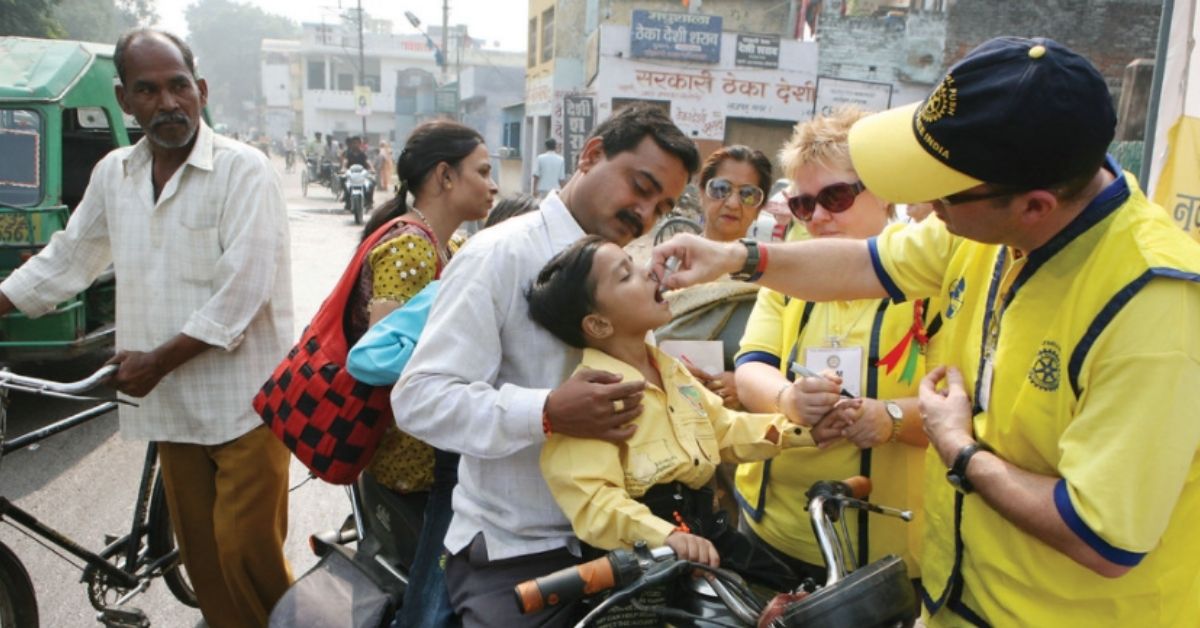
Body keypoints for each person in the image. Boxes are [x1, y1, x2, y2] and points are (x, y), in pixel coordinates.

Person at [651, 37, 1200, 626]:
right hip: (955, 599)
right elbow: (867, 262)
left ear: (1034, 206)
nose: (925, 206)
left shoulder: (1152, 307)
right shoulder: (990, 223)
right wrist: (734, 258)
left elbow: (1101, 535)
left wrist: (958, 446)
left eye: (941, 191)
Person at [0, 29, 294, 627]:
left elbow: (241, 294)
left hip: (248, 407)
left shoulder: (245, 171)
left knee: (249, 557)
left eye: (178, 86)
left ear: (201, 90)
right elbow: (68, 259)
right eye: (148, 90)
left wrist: (156, 360)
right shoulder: (116, 174)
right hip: (173, 413)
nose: (167, 103)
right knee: (205, 564)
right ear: (124, 100)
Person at [392, 104, 698, 627]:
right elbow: (419, 399)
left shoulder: (627, 269)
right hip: (522, 553)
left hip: (624, 549)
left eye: (662, 205)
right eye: (640, 186)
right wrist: (548, 412)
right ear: (591, 154)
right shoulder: (500, 255)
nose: (645, 214)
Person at [527, 235, 812, 592]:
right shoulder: (593, 398)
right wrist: (667, 536)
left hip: (708, 537)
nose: (648, 274)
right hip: (647, 566)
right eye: (625, 275)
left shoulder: (671, 370)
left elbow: (724, 429)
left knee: (793, 595)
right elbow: (594, 501)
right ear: (598, 325)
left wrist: (803, 430)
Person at [732, 108, 933, 585]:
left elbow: (972, 405)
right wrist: (788, 399)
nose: (818, 216)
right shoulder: (790, 268)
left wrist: (892, 417)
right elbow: (751, 365)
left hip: (887, 549)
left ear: (884, 191)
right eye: (803, 205)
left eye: (836, 196)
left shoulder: (932, 270)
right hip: (773, 530)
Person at [343, 120, 497, 628]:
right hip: (419, 453)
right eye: (483, 171)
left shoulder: (446, 246)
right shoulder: (413, 248)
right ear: (445, 177)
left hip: (430, 446)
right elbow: (383, 357)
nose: (493, 184)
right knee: (433, 598)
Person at [341, 135, 375, 210]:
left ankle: (369, 202)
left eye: (357, 143)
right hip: (351, 174)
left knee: (372, 183)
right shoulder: (348, 154)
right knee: (343, 180)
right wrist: (343, 168)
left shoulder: (363, 154)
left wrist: (372, 168)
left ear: (360, 144)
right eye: (354, 143)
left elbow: (368, 161)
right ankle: (347, 200)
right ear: (351, 144)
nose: (355, 145)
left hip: (362, 174)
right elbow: (345, 162)